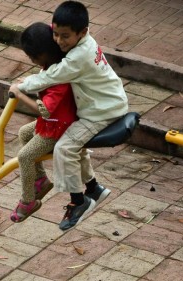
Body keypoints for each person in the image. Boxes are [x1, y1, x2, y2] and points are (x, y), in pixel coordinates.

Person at [17, 0, 128, 230]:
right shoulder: (83, 43)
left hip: (101, 112)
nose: (59, 41)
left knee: (65, 147)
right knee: (71, 142)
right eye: (55, 34)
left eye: (65, 36)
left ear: (83, 32)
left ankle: (78, 201)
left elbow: (52, 76)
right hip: (105, 102)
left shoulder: (79, 57)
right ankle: (93, 187)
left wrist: (21, 86)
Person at [9, 22, 77, 223]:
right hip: (54, 122)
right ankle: (40, 181)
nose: (32, 61)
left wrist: (20, 95)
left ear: (43, 54)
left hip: (59, 128)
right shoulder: (52, 66)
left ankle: (28, 200)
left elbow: (44, 110)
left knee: (25, 156)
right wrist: (28, 83)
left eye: (33, 57)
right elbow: (42, 81)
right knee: (24, 132)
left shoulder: (60, 79)